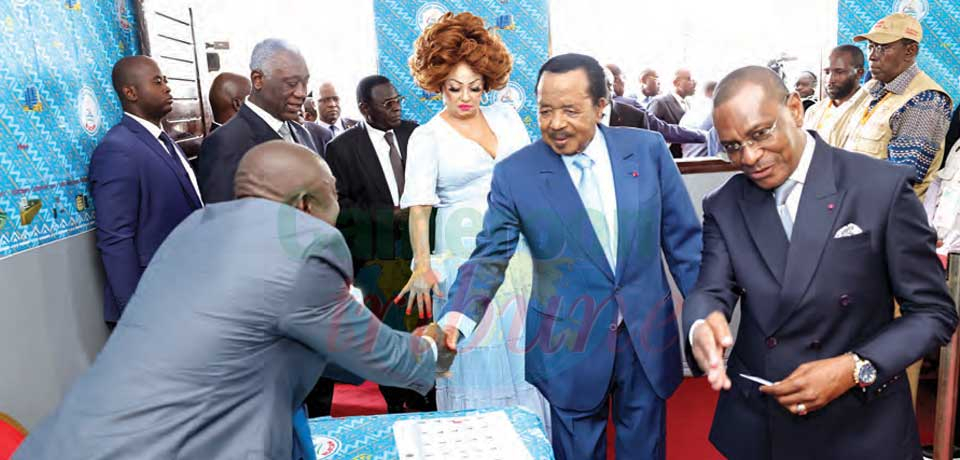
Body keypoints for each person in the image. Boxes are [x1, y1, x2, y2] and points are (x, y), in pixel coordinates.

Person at [14, 141, 452, 460]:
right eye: (333, 194)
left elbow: (267, 338)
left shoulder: (194, 230)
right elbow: (386, 357)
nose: (339, 207)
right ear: (305, 206)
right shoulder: (304, 245)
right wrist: (432, 347)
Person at [683, 66, 958, 460]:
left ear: (795, 109)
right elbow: (710, 289)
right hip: (763, 422)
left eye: (760, 134)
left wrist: (853, 368)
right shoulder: (724, 204)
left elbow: (933, 313)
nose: (750, 157)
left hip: (860, 424)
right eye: (732, 146)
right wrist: (700, 325)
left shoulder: (879, 187)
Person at [436, 53, 702, 459]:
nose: (556, 123)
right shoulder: (516, 173)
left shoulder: (647, 151)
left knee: (645, 449)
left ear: (601, 106)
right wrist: (457, 317)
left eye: (570, 110)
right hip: (567, 340)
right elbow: (490, 254)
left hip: (645, 333)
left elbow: (684, 243)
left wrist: (704, 314)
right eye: (545, 111)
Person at [400, 11, 551, 429]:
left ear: (488, 82)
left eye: (475, 87)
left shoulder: (506, 118)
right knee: (475, 343)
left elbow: (532, 182)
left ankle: (532, 438)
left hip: (519, 246)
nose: (465, 97)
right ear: (437, 83)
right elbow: (419, 209)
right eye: (454, 88)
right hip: (463, 249)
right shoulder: (427, 136)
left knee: (524, 344)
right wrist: (423, 265)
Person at [324, 75, 433, 413]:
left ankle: (431, 399)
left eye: (398, 100)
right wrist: (391, 216)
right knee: (389, 335)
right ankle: (398, 404)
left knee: (427, 328)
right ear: (364, 109)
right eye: (387, 104)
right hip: (377, 259)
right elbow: (341, 208)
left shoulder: (417, 134)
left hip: (423, 252)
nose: (397, 107)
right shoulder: (341, 148)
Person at [89, 56, 203, 327]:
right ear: (131, 92)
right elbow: (115, 238)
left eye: (165, 80)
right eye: (158, 82)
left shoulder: (166, 142)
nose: (167, 87)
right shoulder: (118, 149)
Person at [839, 12, 953, 199]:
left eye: (883, 48)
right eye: (870, 46)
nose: (872, 56)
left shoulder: (926, 99)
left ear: (910, 51)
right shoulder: (871, 90)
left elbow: (901, 179)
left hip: (885, 213)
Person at [198, 38, 318, 204]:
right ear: (258, 79)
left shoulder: (302, 133)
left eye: (305, 83)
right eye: (291, 83)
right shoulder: (225, 143)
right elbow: (225, 216)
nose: (302, 93)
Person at [803, 45, 868, 147]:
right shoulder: (814, 111)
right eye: (827, 72)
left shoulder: (871, 109)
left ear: (859, 73)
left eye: (839, 72)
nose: (830, 80)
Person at [650, 68, 697, 157]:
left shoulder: (690, 104)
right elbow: (651, 134)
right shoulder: (660, 103)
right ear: (676, 83)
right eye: (689, 79)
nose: (694, 83)